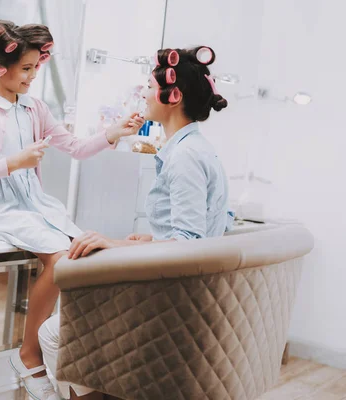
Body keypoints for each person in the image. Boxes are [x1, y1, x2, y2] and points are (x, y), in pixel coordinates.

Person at [0, 19, 144, 400]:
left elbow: (74, 147)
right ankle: (29, 355)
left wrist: (115, 133)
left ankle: (66, 352)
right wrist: (13, 163)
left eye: (35, 67)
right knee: (60, 260)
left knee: (85, 254)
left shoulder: (34, 107)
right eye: (26, 68)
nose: (32, 76)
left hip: (36, 205)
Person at [38, 46, 231, 400]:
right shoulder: (189, 148)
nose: (142, 92)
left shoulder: (185, 157)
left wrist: (115, 245)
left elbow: (189, 244)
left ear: (173, 97)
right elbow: (188, 234)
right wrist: (147, 239)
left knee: (51, 335)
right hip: (176, 284)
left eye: (147, 85)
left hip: (174, 297)